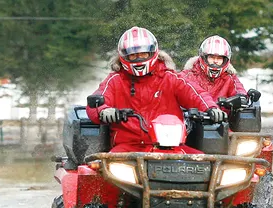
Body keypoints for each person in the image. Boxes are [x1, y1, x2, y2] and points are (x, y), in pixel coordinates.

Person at [86, 26, 226, 153]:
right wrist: (103, 110)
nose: (138, 58)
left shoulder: (170, 78)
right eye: (133, 55)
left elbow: (195, 94)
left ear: (153, 52)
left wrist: (211, 108)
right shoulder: (115, 81)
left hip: (172, 146)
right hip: (128, 148)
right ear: (123, 56)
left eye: (143, 54)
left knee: (208, 166)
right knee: (106, 171)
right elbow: (97, 100)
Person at [178, 35, 247, 111]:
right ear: (203, 57)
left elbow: (237, 88)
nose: (215, 61)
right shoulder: (187, 75)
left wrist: (241, 97)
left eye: (219, 58)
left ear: (226, 60)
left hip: (223, 120)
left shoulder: (229, 77)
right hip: (191, 120)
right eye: (212, 57)